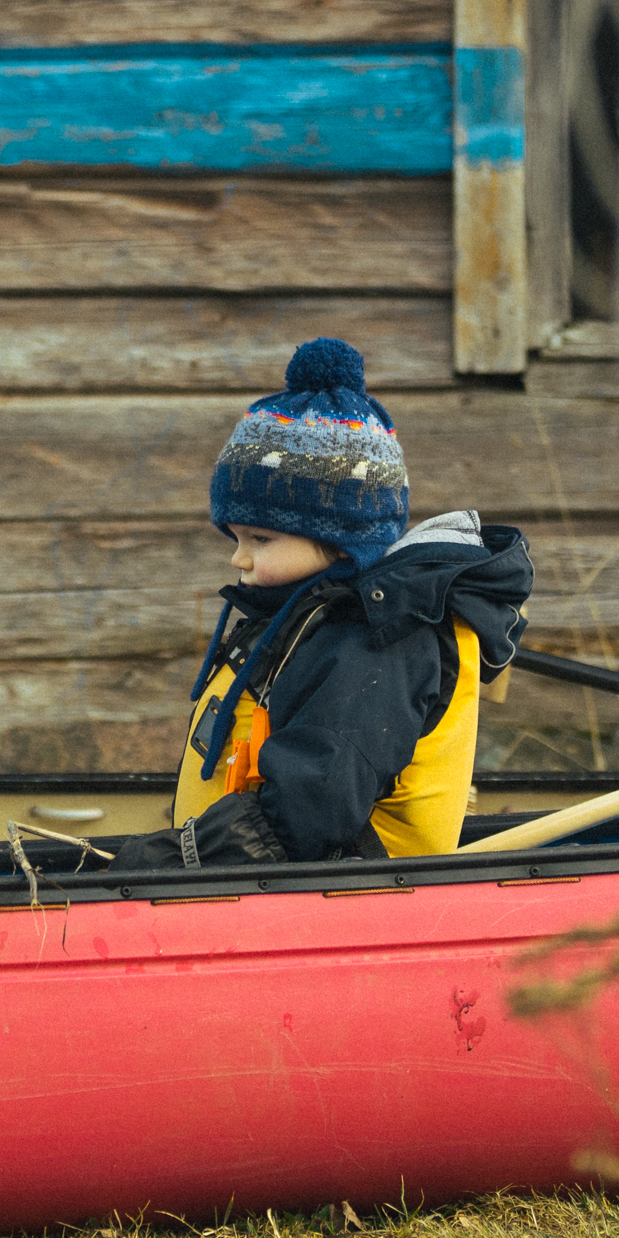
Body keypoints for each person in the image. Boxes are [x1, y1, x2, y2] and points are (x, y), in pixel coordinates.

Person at [112, 338, 534, 871]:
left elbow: (310, 810)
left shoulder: (377, 643)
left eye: (260, 540)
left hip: (344, 910)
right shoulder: (302, 615)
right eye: (234, 538)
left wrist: (170, 862)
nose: (238, 560)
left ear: (343, 539)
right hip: (251, 896)